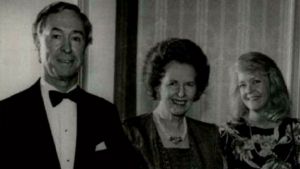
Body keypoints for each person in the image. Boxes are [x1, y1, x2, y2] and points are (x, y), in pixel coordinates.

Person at [0, 2, 140, 169]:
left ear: (85, 47)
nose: (67, 48)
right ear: (38, 43)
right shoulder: (6, 114)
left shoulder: (105, 113)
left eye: (75, 38)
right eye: (56, 36)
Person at [123, 38, 224, 169]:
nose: (181, 93)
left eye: (189, 84)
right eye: (173, 83)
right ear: (157, 85)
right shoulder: (132, 133)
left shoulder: (209, 135)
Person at [220, 52, 300, 169]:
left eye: (256, 82)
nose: (249, 90)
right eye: (243, 85)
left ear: (273, 84)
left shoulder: (296, 131)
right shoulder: (227, 135)